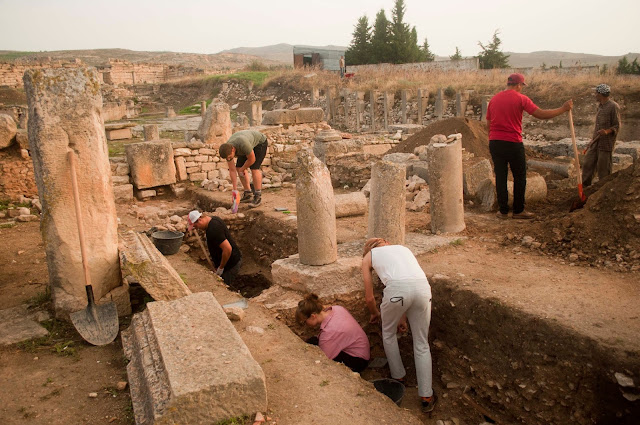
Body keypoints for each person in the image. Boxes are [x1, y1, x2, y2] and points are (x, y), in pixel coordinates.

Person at [361, 237, 436, 413]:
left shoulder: (368, 257)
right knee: (422, 343)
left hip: (396, 293)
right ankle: (427, 396)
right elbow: (409, 285)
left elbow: (370, 297)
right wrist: (401, 318)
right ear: (385, 242)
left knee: (388, 334)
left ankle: (398, 378)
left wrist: (374, 313)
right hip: (423, 290)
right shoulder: (403, 249)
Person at [486, 73, 573, 220]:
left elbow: (488, 123)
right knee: (520, 176)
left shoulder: (494, 99)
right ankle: (518, 210)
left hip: (495, 142)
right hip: (513, 142)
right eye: (521, 86)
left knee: (501, 176)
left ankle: (503, 211)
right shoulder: (521, 98)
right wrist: (563, 109)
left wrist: (493, 138)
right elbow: (541, 114)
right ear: (519, 85)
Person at [296, 293, 370, 373]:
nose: (305, 325)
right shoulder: (337, 308)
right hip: (362, 350)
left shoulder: (329, 333)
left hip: (358, 361)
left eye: (304, 322)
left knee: (318, 358)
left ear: (313, 316)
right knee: (313, 341)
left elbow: (324, 359)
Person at [187, 210, 242, 285]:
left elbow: (227, 249)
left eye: (195, 226)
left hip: (230, 264)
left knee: (224, 286)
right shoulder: (213, 219)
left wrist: (221, 267)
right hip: (227, 262)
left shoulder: (213, 229)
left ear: (199, 220)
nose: (196, 229)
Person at [582, 84, 621, 187]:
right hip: (596, 141)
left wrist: (607, 131)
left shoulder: (613, 106)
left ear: (601, 94)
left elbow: (617, 126)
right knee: (587, 164)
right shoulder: (600, 107)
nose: (595, 95)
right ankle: (585, 189)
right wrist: (593, 139)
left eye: (596, 93)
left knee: (603, 169)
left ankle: (604, 191)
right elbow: (597, 126)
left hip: (606, 143)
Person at [218, 130, 268, 208]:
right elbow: (232, 170)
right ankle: (248, 193)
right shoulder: (227, 149)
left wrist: (243, 168)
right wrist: (234, 189)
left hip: (259, 143)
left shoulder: (243, 144)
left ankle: (258, 196)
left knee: (254, 168)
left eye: (230, 157)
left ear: (233, 150)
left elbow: (252, 159)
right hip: (245, 145)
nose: (229, 159)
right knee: (238, 167)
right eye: (227, 158)